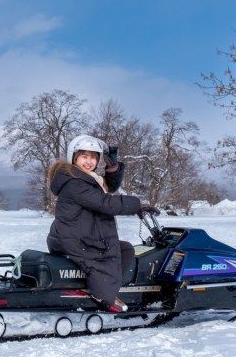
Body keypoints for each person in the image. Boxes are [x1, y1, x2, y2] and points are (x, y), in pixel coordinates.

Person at [46, 134, 157, 313]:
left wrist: (112, 168)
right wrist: (137, 205)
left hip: (77, 235)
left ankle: (105, 289)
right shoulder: (74, 182)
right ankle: (103, 297)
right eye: (84, 156)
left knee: (125, 249)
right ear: (74, 157)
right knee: (105, 258)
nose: (89, 161)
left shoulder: (83, 177)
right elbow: (104, 202)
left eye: (93, 157)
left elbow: (107, 188)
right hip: (76, 239)